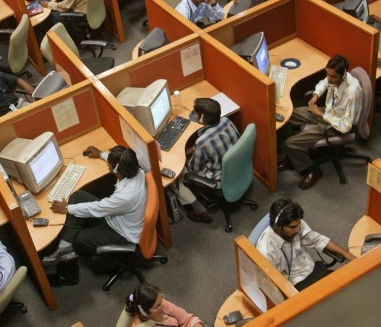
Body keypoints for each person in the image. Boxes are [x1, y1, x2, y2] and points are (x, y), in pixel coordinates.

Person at [41, 146, 146, 286]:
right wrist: (101, 154)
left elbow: (98, 208)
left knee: (77, 238)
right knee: (78, 196)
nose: (107, 164)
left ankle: (69, 276)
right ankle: (64, 247)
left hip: (122, 233)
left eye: (109, 162)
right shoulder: (137, 171)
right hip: (119, 216)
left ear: (116, 169)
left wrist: (66, 208)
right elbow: (121, 160)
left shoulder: (126, 196)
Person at [278, 55, 363, 190]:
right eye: (327, 74)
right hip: (328, 112)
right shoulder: (334, 77)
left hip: (335, 125)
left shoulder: (352, 92)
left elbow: (346, 126)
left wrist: (322, 114)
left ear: (343, 74)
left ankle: (313, 170)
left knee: (290, 143)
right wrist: (316, 95)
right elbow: (324, 83)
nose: (329, 79)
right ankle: (296, 154)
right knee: (287, 115)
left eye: (333, 76)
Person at [256, 198, 355, 291]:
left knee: (347, 285)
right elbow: (273, 286)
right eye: (293, 227)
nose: (298, 229)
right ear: (277, 227)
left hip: (312, 270)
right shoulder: (267, 252)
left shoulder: (295, 224)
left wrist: (348, 255)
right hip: (295, 286)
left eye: (299, 224)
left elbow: (318, 239)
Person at [172, 98, 239, 223]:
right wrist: (193, 149)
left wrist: (182, 157)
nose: (193, 114)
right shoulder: (226, 120)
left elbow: (193, 169)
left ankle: (201, 211)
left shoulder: (201, 142)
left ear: (202, 118)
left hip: (218, 179)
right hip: (237, 167)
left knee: (177, 177)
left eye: (195, 113)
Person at [121, 284, 204, 327]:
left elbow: (186, 318)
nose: (163, 306)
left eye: (161, 299)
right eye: (157, 306)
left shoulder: (161, 304)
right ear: (144, 313)